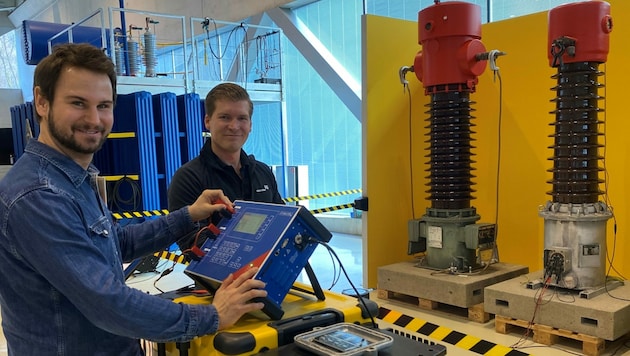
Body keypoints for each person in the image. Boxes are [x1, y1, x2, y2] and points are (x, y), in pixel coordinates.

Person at [0, 43, 267, 355]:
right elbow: (108, 303)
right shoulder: (38, 196)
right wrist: (213, 316)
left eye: (103, 105)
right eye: (78, 103)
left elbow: (117, 243)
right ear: (42, 102)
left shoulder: (74, 179)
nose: (93, 119)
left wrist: (188, 215)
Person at [168, 82, 284, 252]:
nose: (234, 126)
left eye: (242, 118)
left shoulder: (262, 172)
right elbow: (192, 246)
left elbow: (279, 224)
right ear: (208, 121)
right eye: (225, 117)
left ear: (250, 124)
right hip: (220, 278)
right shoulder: (188, 178)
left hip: (266, 275)